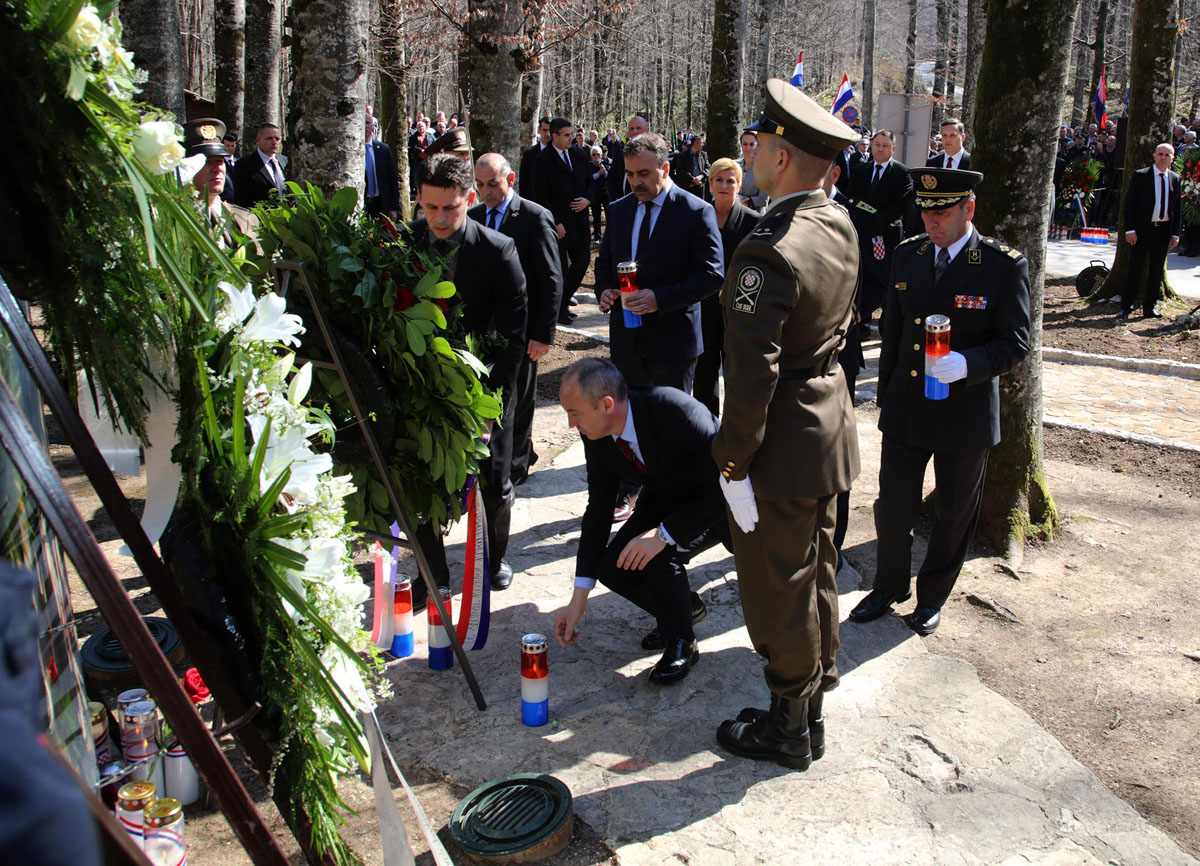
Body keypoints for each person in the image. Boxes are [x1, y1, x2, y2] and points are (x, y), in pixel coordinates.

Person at [711, 79, 860, 771]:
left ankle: (789, 726)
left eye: (762, 144)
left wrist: (731, 461)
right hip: (827, 429)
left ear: (779, 156)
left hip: (781, 443)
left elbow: (751, 378)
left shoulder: (767, 249)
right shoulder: (837, 222)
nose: (756, 152)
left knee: (781, 586)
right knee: (817, 571)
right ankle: (811, 707)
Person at [850, 167, 1030, 637]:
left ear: (969, 209)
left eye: (943, 211)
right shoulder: (909, 255)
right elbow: (893, 331)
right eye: (926, 210)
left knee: (953, 514)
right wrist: (886, 392)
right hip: (909, 403)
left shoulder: (1002, 265)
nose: (932, 220)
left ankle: (931, 597)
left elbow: (1016, 342)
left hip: (963, 411)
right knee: (893, 505)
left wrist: (969, 363)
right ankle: (888, 586)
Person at [552, 359, 729, 684]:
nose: (569, 424)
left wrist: (663, 535)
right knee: (613, 567)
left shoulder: (674, 411)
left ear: (606, 404)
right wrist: (579, 599)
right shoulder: (597, 432)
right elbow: (599, 508)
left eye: (574, 413)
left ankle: (681, 640)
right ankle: (681, 610)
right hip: (665, 497)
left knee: (657, 554)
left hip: (721, 504)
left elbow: (725, 486)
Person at [403, 154, 528, 593]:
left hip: (485, 389)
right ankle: (431, 574)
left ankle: (494, 560)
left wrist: (489, 411)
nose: (439, 218)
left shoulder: (497, 251)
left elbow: (513, 338)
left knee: (494, 482)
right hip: (422, 389)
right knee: (419, 482)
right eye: (430, 207)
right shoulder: (405, 243)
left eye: (450, 208)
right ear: (418, 198)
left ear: (469, 199)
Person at [595, 131, 723, 395]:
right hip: (627, 341)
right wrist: (605, 289)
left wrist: (659, 298)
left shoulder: (696, 211)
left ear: (665, 169)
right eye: (629, 174)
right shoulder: (619, 210)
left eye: (643, 174)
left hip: (673, 341)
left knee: (671, 427)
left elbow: (712, 274)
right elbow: (605, 261)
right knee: (633, 425)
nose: (635, 182)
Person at [470, 153, 563, 487]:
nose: (486, 192)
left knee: (519, 399)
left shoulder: (535, 217)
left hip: (523, 330)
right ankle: (493, 458)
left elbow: (552, 279)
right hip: (483, 330)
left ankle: (517, 464)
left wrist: (544, 333)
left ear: (509, 180)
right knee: (491, 398)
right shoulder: (474, 217)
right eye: (480, 185)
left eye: (492, 184)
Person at [694, 157, 757, 416]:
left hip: (737, 311)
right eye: (718, 180)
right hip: (703, 307)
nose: (724, 185)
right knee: (704, 373)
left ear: (739, 185)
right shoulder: (697, 217)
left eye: (730, 181)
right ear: (709, 185)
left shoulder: (753, 222)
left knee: (736, 373)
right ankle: (705, 429)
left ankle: (734, 433)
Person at [535, 117, 594, 325]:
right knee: (559, 269)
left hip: (579, 222)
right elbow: (540, 196)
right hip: (557, 226)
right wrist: (555, 221)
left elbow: (591, 184)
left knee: (582, 262)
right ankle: (558, 309)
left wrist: (588, 199)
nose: (572, 138)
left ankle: (564, 300)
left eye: (572, 134)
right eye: (567, 135)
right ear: (555, 136)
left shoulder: (579, 155)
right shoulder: (542, 160)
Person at [850, 129, 913, 313]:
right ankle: (862, 320)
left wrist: (876, 221)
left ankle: (888, 318)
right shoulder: (860, 170)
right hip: (862, 234)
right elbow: (853, 198)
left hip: (888, 234)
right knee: (863, 275)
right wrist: (864, 223)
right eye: (877, 145)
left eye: (885, 146)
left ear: (893, 148)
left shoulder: (903, 173)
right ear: (871, 145)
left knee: (889, 277)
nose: (880, 149)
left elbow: (900, 204)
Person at [1119, 143, 1181, 320]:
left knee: (1156, 272)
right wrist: (1130, 229)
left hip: (1163, 232)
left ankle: (1149, 307)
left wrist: (1175, 233)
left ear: (1172, 159)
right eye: (1160, 154)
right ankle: (1126, 306)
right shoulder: (1141, 175)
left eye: (1167, 155)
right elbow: (1129, 205)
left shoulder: (1175, 179)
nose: (1163, 157)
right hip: (1141, 230)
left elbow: (1177, 208)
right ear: (1154, 156)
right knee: (1135, 269)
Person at [183, 118, 257, 246]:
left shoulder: (247, 219)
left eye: (219, 161)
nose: (217, 168)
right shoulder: (176, 220)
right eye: (206, 161)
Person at [232, 122, 286, 208]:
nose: (274, 142)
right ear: (258, 140)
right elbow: (241, 199)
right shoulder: (244, 165)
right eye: (269, 138)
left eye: (277, 139)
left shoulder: (285, 161)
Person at [363, 113, 400, 220]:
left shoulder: (383, 149)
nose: (365, 126)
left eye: (368, 123)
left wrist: (393, 207)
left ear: (373, 126)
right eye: (363, 123)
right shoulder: (353, 151)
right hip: (363, 204)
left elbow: (392, 179)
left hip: (381, 203)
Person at [607, 113, 650, 202]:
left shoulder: (652, 153)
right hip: (622, 201)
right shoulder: (621, 151)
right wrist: (615, 197)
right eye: (632, 129)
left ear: (646, 131)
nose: (635, 131)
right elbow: (612, 176)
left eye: (638, 128)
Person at [519, 116, 551, 205]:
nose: (548, 134)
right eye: (544, 130)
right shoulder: (530, 154)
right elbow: (524, 182)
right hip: (534, 203)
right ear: (539, 131)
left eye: (550, 130)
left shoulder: (562, 153)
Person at [671, 133, 711, 199]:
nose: (703, 145)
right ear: (695, 143)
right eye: (701, 143)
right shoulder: (683, 155)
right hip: (687, 187)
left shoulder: (704, 155)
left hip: (700, 186)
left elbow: (708, 167)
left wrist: (701, 176)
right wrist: (692, 179)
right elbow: (680, 170)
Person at [737, 130, 769, 211]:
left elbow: (763, 200)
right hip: (736, 213)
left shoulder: (764, 168)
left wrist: (743, 201)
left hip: (756, 216)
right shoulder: (734, 165)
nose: (748, 148)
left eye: (751, 144)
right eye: (745, 144)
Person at [588, 145, 610, 240]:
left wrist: (604, 171)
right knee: (596, 215)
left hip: (605, 192)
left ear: (601, 155)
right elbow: (589, 178)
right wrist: (598, 173)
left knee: (609, 213)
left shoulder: (605, 163)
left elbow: (609, 177)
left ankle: (609, 235)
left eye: (598, 154)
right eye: (594, 154)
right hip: (595, 193)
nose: (596, 156)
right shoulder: (588, 165)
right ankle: (597, 236)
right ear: (591, 156)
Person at [220, 131, 238, 203]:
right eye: (227, 146)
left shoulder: (239, 163)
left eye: (232, 146)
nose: (230, 148)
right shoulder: (220, 163)